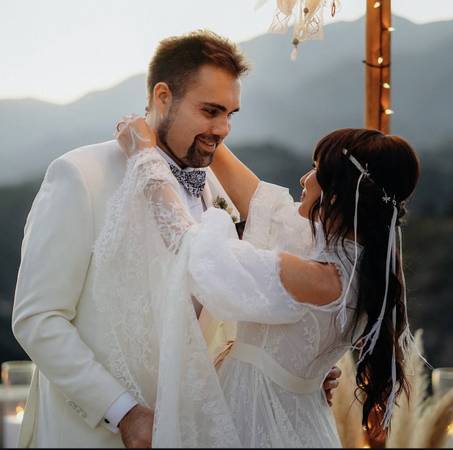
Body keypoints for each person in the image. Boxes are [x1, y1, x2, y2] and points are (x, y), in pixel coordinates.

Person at [11, 30, 339, 448]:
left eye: (230, 114)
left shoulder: (216, 192)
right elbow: (38, 318)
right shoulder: (80, 175)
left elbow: (233, 302)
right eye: (210, 111)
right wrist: (123, 412)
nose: (223, 128)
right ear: (163, 97)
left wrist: (291, 364)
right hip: (90, 436)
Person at [113, 118, 421, 447]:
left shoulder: (320, 278)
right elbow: (262, 204)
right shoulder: (358, 260)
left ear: (336, 195)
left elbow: (196, 252)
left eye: (316, 169)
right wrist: (206, 129)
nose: (304, 179)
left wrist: (143, 157)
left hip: (262, 423)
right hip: (293, 415)